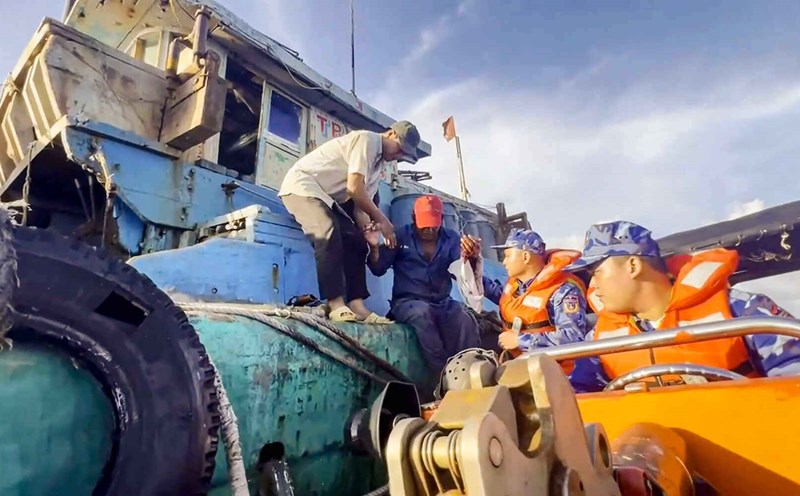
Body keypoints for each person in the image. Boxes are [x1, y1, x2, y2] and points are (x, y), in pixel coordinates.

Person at [564, 220, 800, 391]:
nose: (592, 285)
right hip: (646, 452)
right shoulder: (599, 339)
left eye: (596, 273)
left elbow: (793, 379)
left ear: (633, 266)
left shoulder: (743, 311)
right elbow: (576, 395)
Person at [278, 121, 421, 323]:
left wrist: (368, 234)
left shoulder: (377, 167)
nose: (399, 156)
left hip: (327, 199)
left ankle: (358, 306)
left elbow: (359, 208)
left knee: (356, 241)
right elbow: (355, 188)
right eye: (400, 149)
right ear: (390, 134)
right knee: (326, 228)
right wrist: (383, 220)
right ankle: (335, 304)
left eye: (403, 155)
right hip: (302, 187)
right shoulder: (367, 140)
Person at [366, 195, 481, 372]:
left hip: (442, 302)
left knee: (463, 318)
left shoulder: (451, 239)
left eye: (433, 225)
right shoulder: (399, 236)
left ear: (441, 220)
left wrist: (471, 258)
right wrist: (374, 246)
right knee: (422, 314)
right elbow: (378, 268)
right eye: (424, 224)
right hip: (408, 302)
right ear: (413, 218)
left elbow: (461, 274)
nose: (428, 229)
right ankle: (444, 374)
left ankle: (471, 369)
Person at [465, 229, 589, 359]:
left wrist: (520, 340)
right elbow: (497, 294)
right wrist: (471, 266)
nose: (504, 262)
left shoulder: (562, 292)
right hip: (518, 362)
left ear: (526, 257)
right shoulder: (516, 286)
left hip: (553, 369)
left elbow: (574, 337)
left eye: (507, 256)